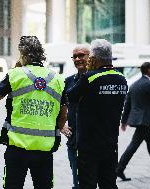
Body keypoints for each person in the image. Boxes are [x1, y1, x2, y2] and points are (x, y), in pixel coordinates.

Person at [0, 36, 68, 189]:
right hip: (44, 148)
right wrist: (57, 127)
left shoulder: (15, 74)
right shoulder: (58, 79)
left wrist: (16, 68)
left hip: (17, 148)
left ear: (22, 54)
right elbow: (63, 114)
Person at [67, 39, 128, 189]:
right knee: (108, 184)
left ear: (93, 57)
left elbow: (71, 96)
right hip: (111, 143)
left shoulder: (90, 77)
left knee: (87, 184)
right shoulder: (122, 79)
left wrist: (89, 70)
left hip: (89, 146)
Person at [116, 62, 150, 181]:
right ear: (148, 70)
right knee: (134, 145)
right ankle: (119, 169)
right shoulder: (149, 85)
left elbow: (127, 104)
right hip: (144, 120)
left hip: (138, 120)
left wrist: (124, 121)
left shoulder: (134, 85)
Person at [64, 44, 90, 189]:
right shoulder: (68, 81)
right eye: (75, 56)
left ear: (90, 57)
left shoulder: (97, 79)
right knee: (77, 182)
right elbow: (59, 106)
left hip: (94, 142)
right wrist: (61, 125)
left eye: (82, 55)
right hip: (74, 141)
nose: (78, 59)